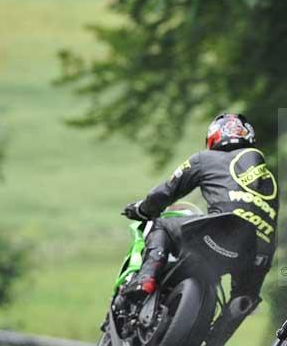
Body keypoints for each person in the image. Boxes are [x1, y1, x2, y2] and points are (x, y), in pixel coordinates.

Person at [118, 113, 278, 306]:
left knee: (160, 225)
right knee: (242, 300)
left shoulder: (206, 158)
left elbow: (165, 192)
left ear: (214, 136)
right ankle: (218, 334)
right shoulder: (269, 179)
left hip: (218, 232)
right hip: (259, 250)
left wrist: (142, 209)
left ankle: (144, 280)